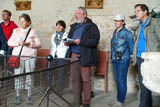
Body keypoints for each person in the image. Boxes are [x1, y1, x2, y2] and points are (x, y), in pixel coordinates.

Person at [65, 6, 100, 107]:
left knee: (86, 80)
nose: (76, 16)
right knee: (75, 80)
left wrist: (81, 42)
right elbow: (70, 38)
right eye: (75, 14)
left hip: (85, 56)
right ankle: (77, 101)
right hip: (73, 56)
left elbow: (95, 41)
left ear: (85, 15)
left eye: (78, 14)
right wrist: (68, 42)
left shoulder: (92, 26)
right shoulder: (73, 27)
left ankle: (86, 102)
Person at [8, 13, 42, 105]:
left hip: (30, 57)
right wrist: (18, 42)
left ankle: (29, 95)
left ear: (29, 22)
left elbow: (39, 44)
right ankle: (18, 95)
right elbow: (9, 42)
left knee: (29, 76)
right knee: (18, 76)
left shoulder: (33, 31)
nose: (22, 23)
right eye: (21, 22)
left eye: (24, 22)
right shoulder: (16, 30)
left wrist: (29, 44)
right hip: (18, 57)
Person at [133, 4, 160, 107]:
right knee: (144, 84)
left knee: (148, 85)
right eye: (135, 11)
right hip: (141, 58)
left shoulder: (155, 22)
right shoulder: (140, 25)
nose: (136, 13)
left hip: (150, 59)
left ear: (145, 12)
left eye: (138, 11)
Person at [110, 14, 134, 107]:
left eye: (118, 21)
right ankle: (118, 100)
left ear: (123, 22)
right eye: (115, 20)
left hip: (123, 59)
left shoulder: (127, 33)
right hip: (114, 59)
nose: (116, 22)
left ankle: (120, 102)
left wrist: (131, 57)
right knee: (117, 80)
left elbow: (131, 46)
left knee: (121, 80)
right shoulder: (115, 31)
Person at [47, 20, 69, 93]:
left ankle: (60, 89)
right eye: (57, 25)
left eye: (60, 25)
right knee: (49, 72)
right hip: (53, 56)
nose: (58, 27)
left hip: (62, 57)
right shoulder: (53, 35)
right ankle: (48, 87)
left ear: (63, 27)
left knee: (61, 74)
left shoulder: (67, 36)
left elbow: (68, 47)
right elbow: (52, 46)